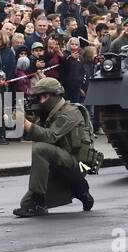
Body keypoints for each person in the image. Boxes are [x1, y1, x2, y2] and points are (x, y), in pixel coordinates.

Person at [13, 76, 96, 217]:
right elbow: (35, 134)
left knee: (40, 149)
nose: (40, 101)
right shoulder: (48, 113)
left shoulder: (70, 112)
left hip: (78, 164)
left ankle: (40, 201)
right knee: (25, 204)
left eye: (43, 97)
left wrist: (27, 124)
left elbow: (50, 136)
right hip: (58, 162)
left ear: (53, 96)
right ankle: (79, 189)